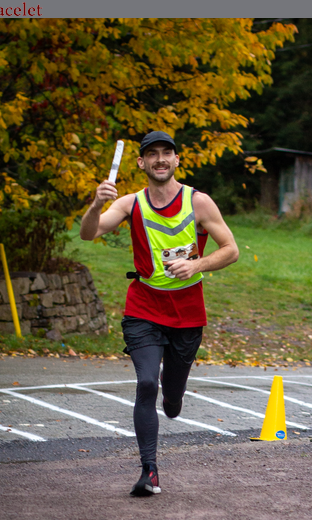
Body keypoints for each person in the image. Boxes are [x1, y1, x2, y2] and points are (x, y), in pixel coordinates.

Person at [80, 131, 239, 496]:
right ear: (141, 163)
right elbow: (90, 233)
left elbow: (230, 250)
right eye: (152, 154)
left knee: (170, 393)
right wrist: (94, 205)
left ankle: (174, 396)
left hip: (187, 311)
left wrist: (197, 264)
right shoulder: (130, 203)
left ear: (177, 160)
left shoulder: (199, 203)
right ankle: (148, 471)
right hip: (143, 306)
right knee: (147, 383)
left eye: (167, 152)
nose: (160, 159)